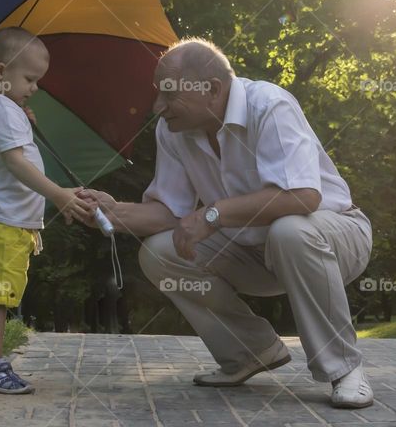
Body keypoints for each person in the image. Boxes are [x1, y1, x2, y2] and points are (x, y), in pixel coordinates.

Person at [78, 38, 374, 408]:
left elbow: (302, 197)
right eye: (157, 94)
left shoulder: (269, 105)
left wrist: (212, 214)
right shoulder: (174, 131)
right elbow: (171, 214)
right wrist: (110, 212)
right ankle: (250, 351)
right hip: (254, 250)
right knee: (158, 253)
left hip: (334, 237)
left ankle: (344, 368)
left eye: (168, 94)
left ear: (212, 89)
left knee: (290, 230)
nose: (157, 107)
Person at [0, 27, 93, 394]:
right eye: (30, 79)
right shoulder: (1, 111)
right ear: (1, 71)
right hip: (4, 222)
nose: (34, 87)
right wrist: (60, 196)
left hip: (6, 221)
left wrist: (22, 119)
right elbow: (18, 165)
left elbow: (11, 150)